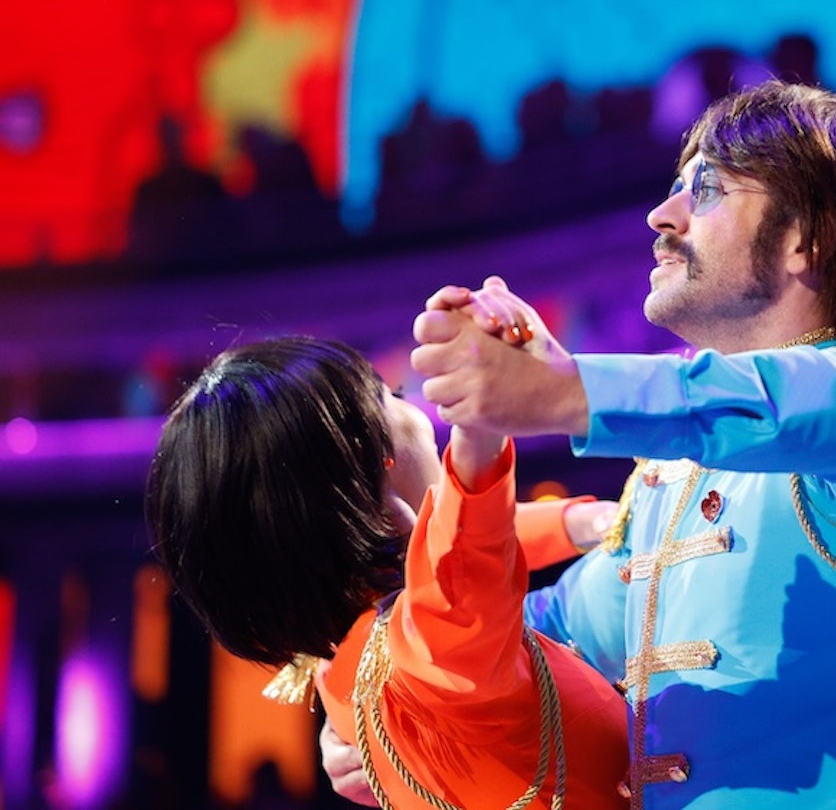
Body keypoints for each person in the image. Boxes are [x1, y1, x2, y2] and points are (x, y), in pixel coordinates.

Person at [390, 81, 836, 808]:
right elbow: (515, 645)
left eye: (707, 188)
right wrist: (383, 703)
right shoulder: (667, 485)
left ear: (809, 237)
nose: (662, 215)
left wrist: (564, 389)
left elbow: (822, 403)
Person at [145, 335, 629, 808]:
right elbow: (466, 553)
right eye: (391, 394)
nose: (415, 402)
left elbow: (462, 555)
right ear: (375, 455)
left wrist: (577, 521)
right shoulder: (435, 639)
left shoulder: (339, 670)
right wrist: (481, 414)